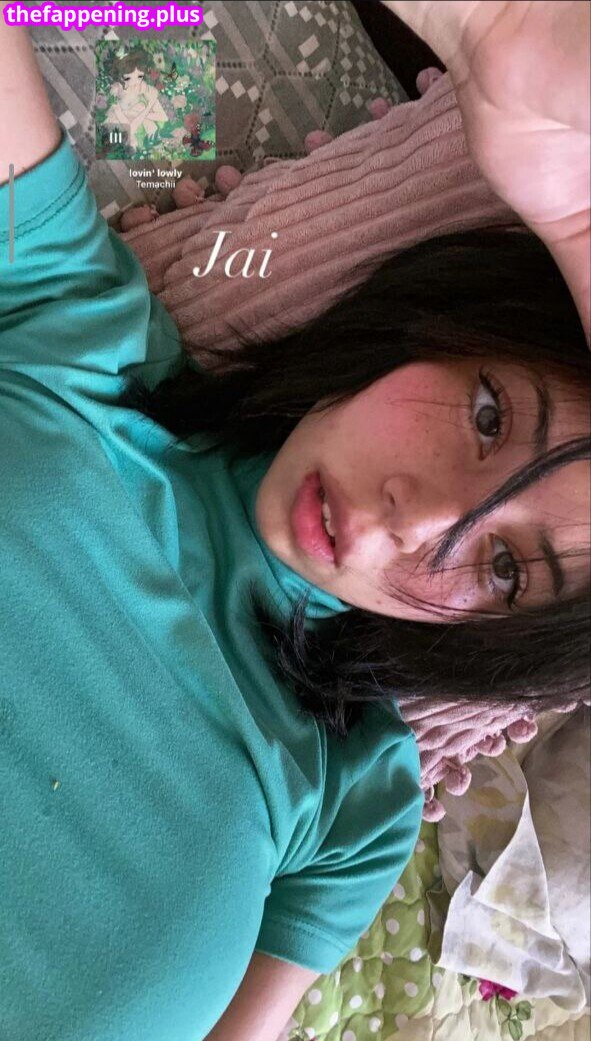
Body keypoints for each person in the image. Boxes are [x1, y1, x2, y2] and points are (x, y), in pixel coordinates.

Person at [0, 3, 589, 1041]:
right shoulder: (85, 342)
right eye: (488, 416)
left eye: (505, 570)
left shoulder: (364, 795)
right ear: (429, 332)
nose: (418, 518)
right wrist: (492, 23)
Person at [104, 49, 168, 150]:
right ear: (120, 76)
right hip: (123, 128)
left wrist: (140, 113)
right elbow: (129, 127)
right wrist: (146, 109)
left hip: (143, 130)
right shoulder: (117, 90)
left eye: (140, 76)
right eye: (128, 78)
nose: (135, 82)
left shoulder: (147, 90)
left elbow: (163, 117)